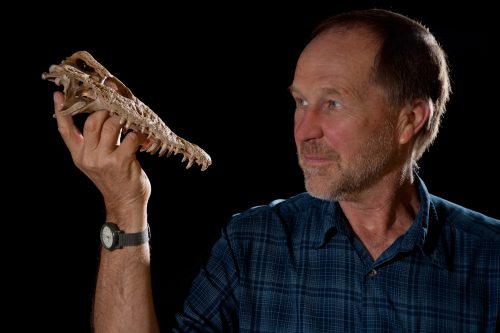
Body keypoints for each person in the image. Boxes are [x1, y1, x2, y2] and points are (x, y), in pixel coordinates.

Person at [52, 8, 499, 332]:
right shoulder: (253, 242)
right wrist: (124, 205)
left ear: (409, 119)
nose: (304, 130)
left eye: (333, 102)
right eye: (300, 102)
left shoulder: (491, 258)